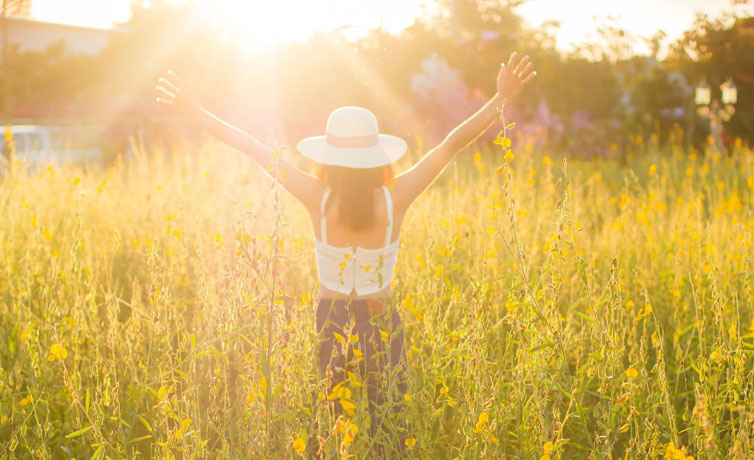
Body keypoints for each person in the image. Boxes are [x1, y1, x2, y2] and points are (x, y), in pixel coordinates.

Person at [156, 52, 535, 457]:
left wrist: (195, 112)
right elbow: (451, 144)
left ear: (328, 156)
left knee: (328, 429)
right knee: (389, 431)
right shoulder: (397, 197)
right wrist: (500, 99)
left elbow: (253, 149)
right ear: (376, 154)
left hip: (330, 320)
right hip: (380, 320)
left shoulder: (315, 196)